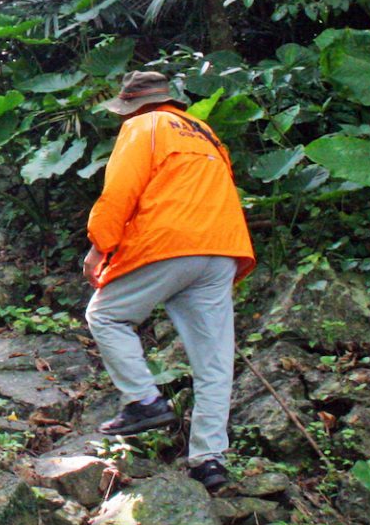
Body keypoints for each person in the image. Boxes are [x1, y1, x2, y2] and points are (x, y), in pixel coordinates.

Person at [82, 69, 256, 493]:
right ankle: (208, 462)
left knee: (105, 316)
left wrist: (99, 246)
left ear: (133, 105)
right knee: (214, 362)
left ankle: (143, 400)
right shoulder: (206, 132)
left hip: (170, 242)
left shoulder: (143, 126)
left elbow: (120, 191)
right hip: (222, 248)